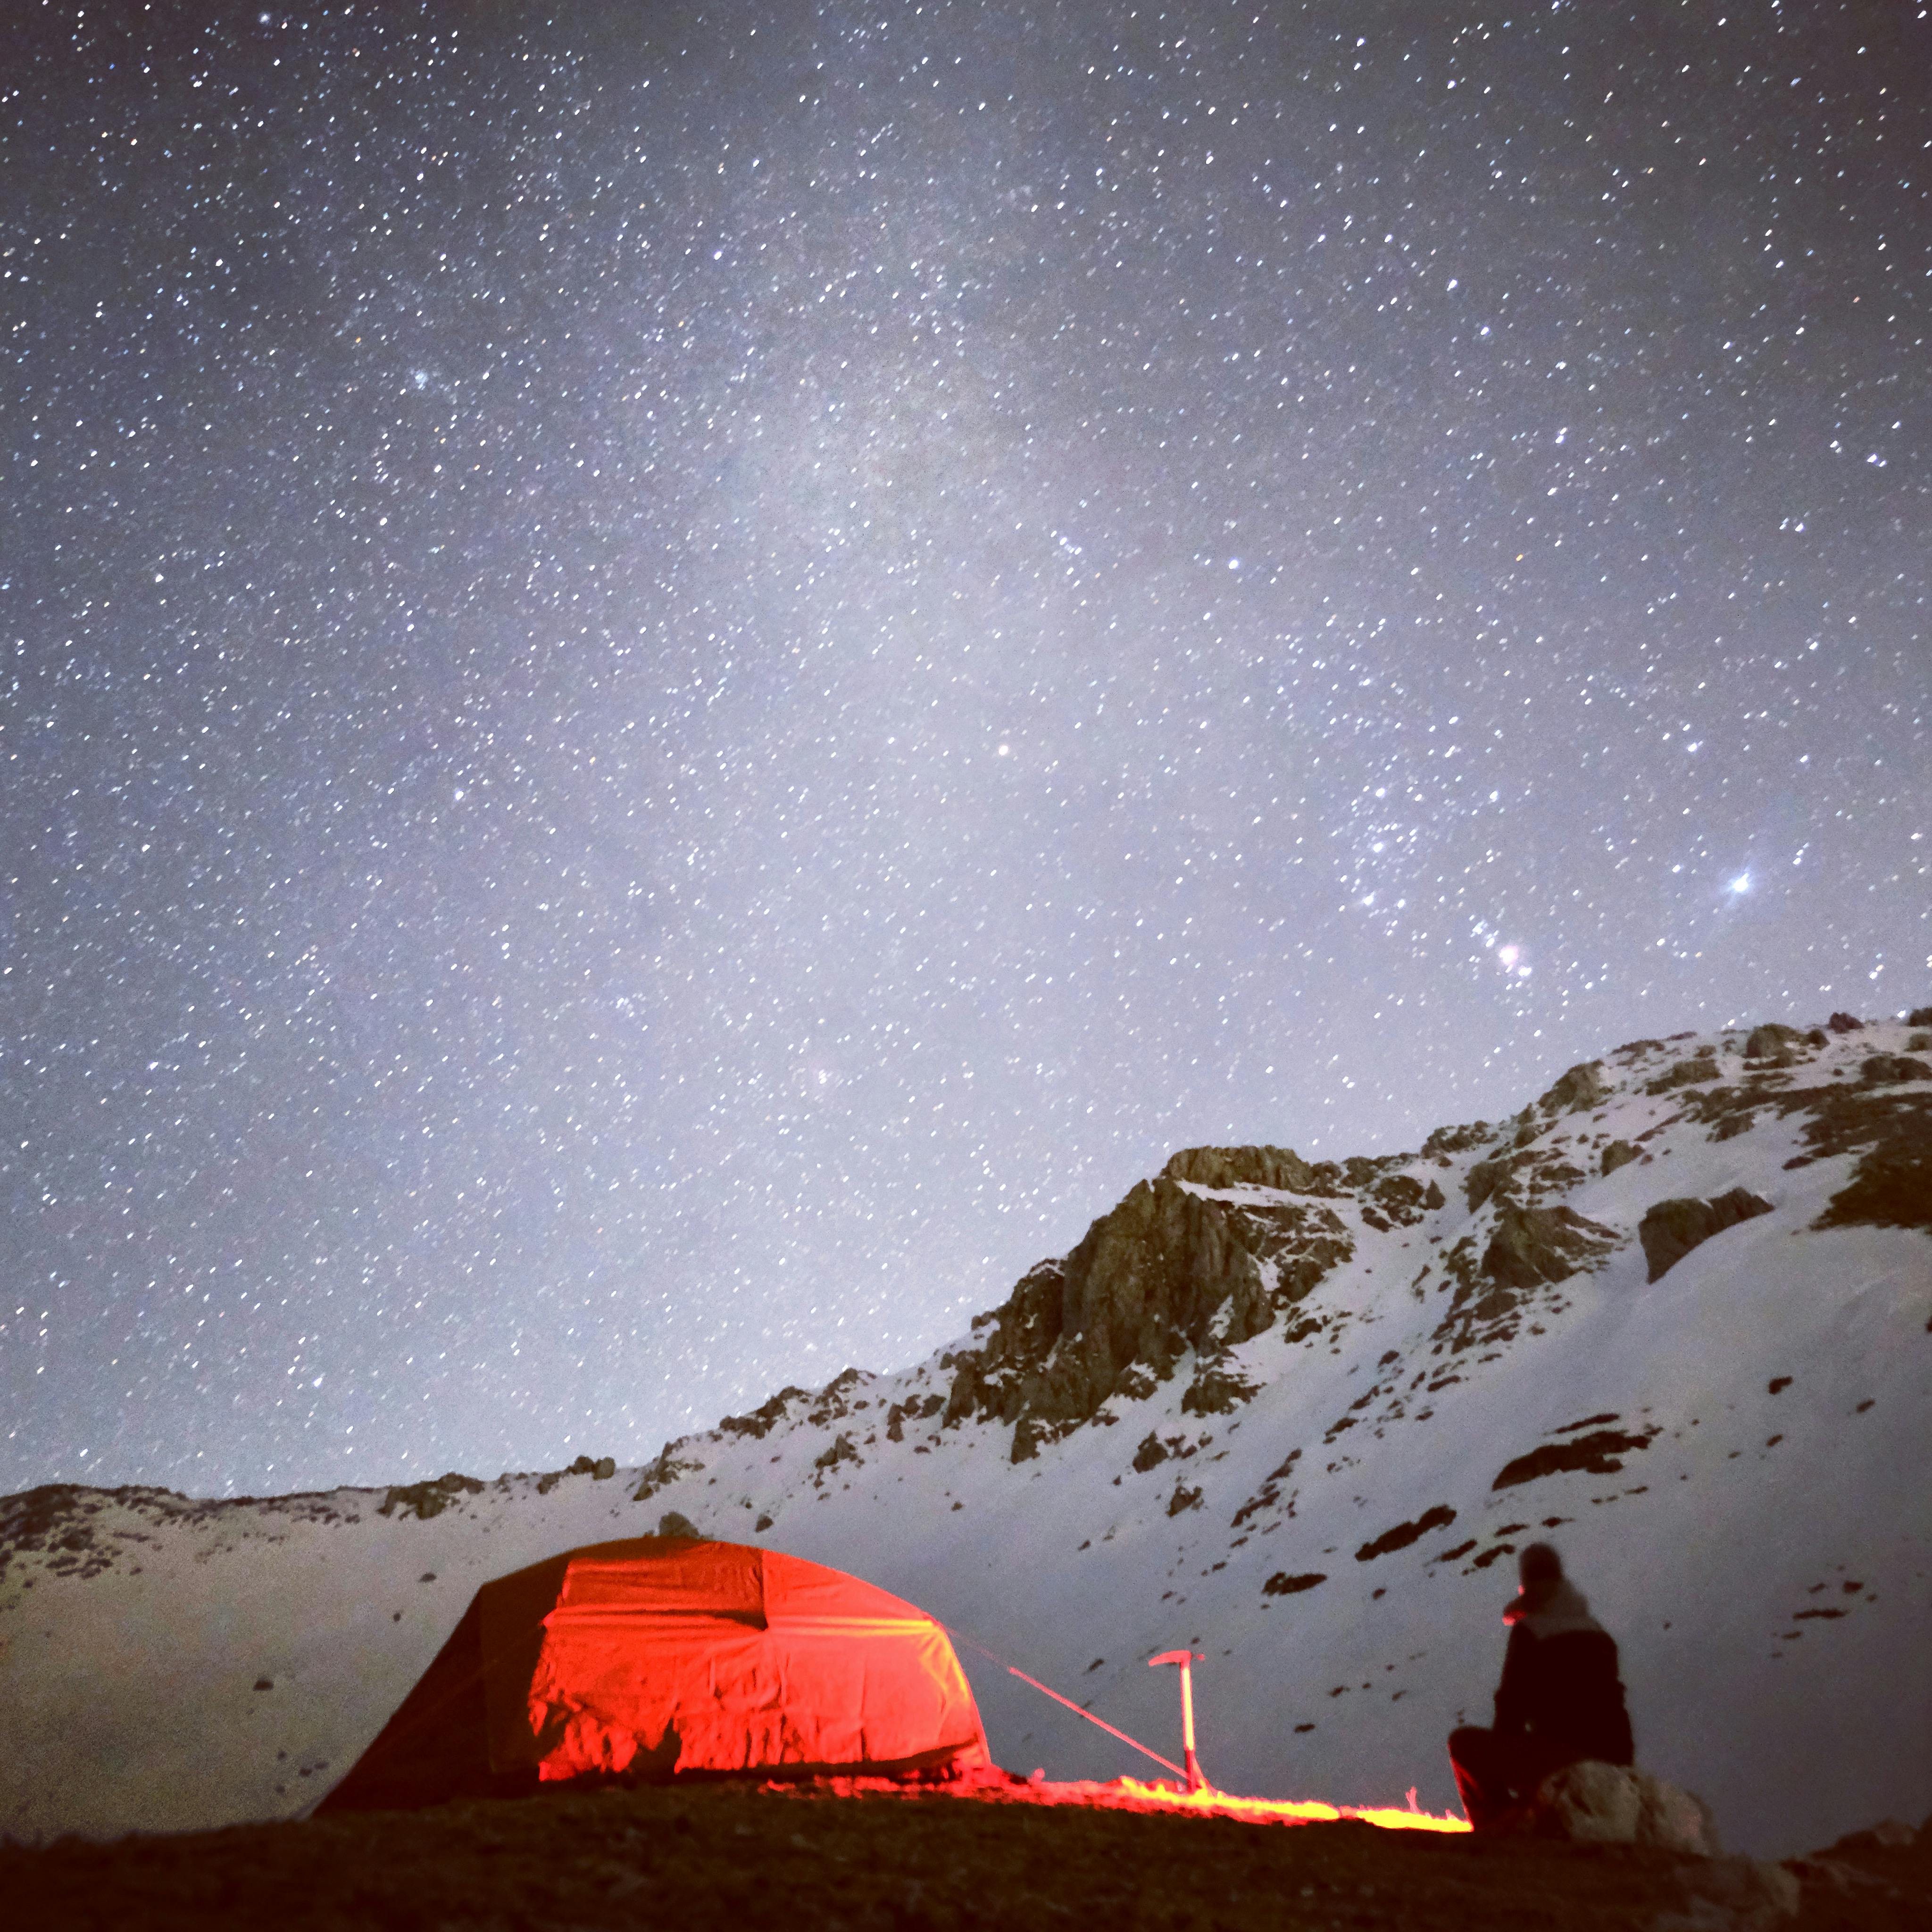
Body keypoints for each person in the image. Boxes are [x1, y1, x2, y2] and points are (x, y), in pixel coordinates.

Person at [1447, 1541, 1634, 1830]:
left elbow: (1510, 1709)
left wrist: (1512, 1768)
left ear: (1525, 1583)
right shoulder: (1598, 1633)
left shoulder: (1532, 1631)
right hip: (1612, 1767)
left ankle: (1499, 1825)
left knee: (1463, 1744)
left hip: (1564, 1762)